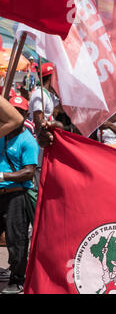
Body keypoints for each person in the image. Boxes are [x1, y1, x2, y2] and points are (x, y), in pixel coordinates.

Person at [0, 96, 39, 294]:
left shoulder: (27, 140)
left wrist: (2, 175)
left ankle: (17, 279)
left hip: (16, 195)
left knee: (17, 241)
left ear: (23, 116)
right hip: (0, 193)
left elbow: (29, 172)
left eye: (18, 111)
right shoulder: (2, 135)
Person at [28, 62, 61, 135]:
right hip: (39, 139)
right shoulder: (40, 94)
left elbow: (62, 109)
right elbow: (38, 121)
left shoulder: (48, 94)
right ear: (52, 78)